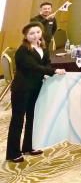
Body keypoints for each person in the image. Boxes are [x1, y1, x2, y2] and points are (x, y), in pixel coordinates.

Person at [6, 23, 66, 163]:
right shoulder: (22, 50)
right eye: (31, 33)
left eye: (38, 32)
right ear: (26, 36)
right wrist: (53, 71)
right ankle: (13, 153)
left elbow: (47, 63)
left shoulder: (42, 47)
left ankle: (28, 147)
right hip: (22, 89)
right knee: (18, 120)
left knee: (32, 117)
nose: (35, 35)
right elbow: (33, 67)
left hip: (36, 87)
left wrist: (48, 71)